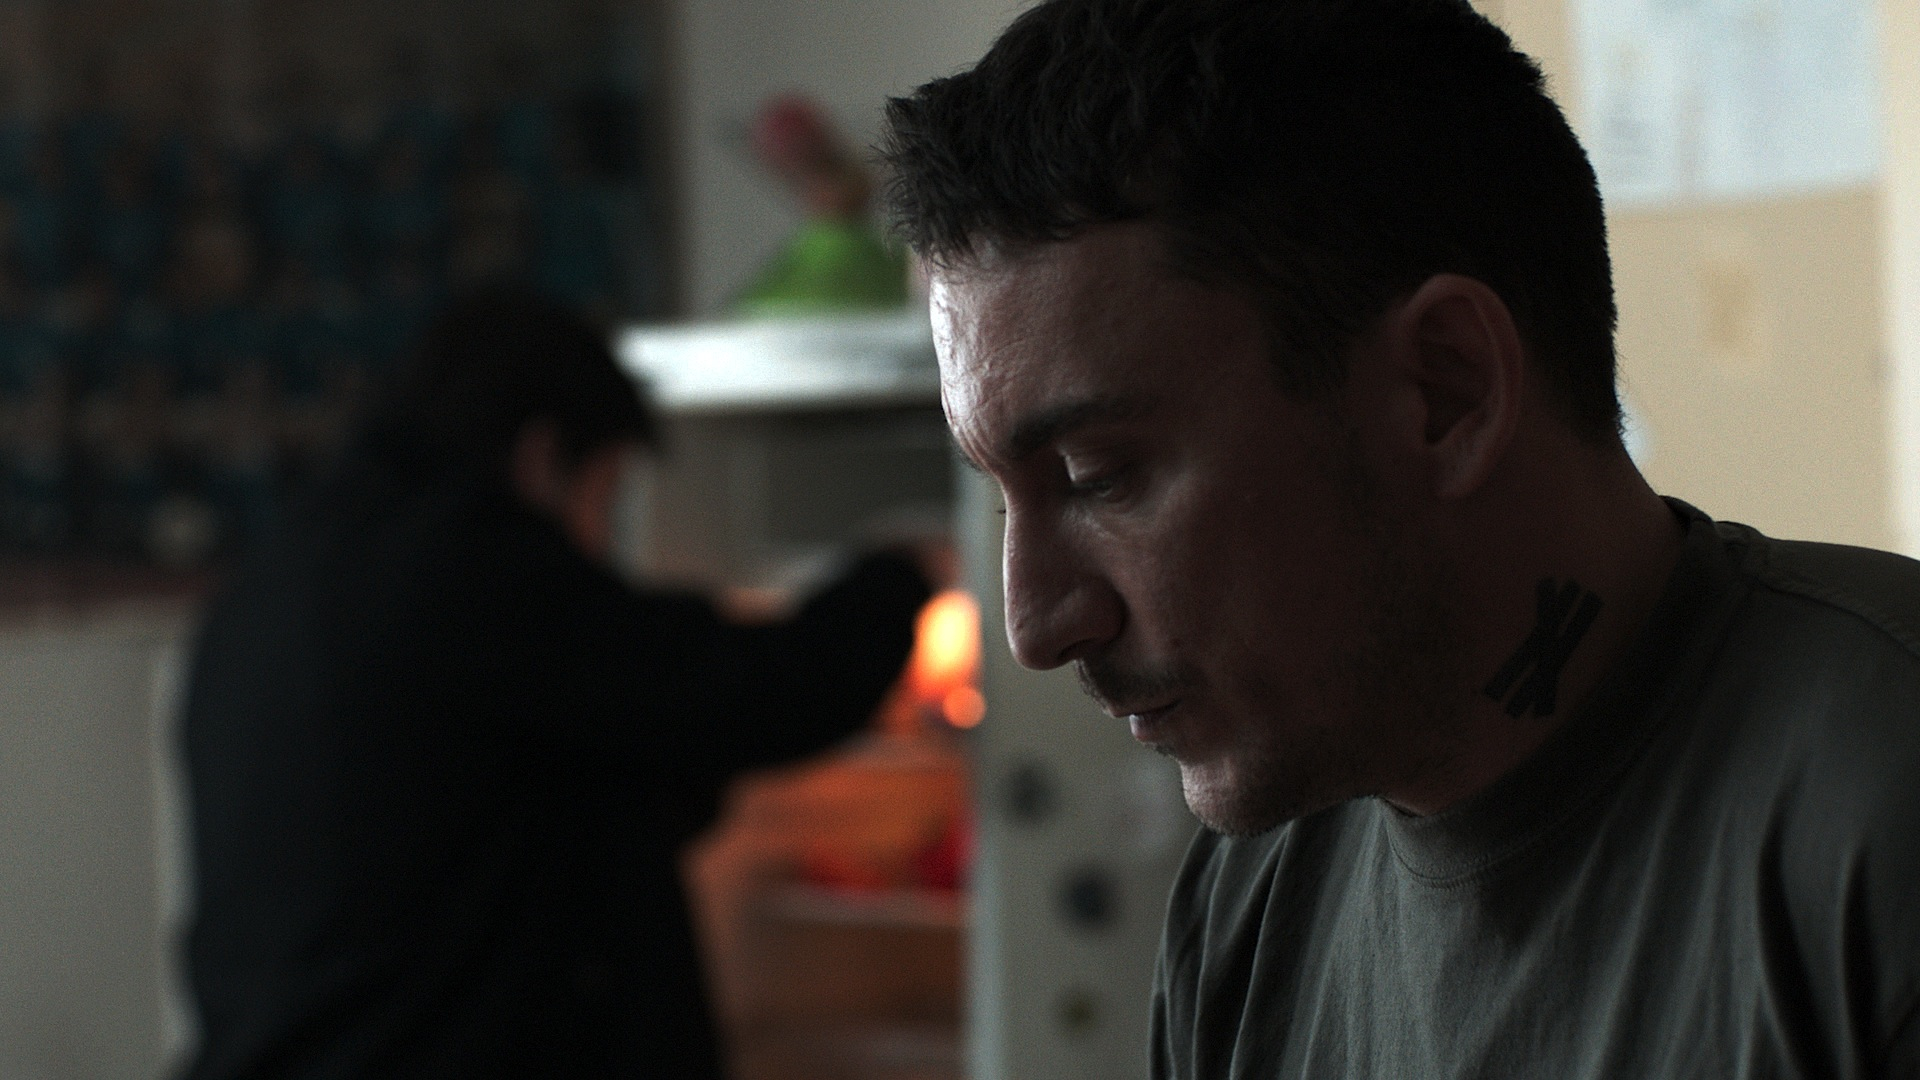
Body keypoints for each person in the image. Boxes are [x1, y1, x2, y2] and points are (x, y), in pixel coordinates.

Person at [880, 0, 1920, 1076]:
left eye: (1098, 477)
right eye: (1004, 498)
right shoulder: (1252, 901)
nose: (1035, 626)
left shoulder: (1877, 806)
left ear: (1445, 390)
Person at [178, 286, 930, 1078]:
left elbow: (517, 798)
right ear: (542, 458)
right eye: (606, 494)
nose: (600, 545)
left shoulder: (281, 579)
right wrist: (902, 578)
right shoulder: (466, 570)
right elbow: (749, 690)